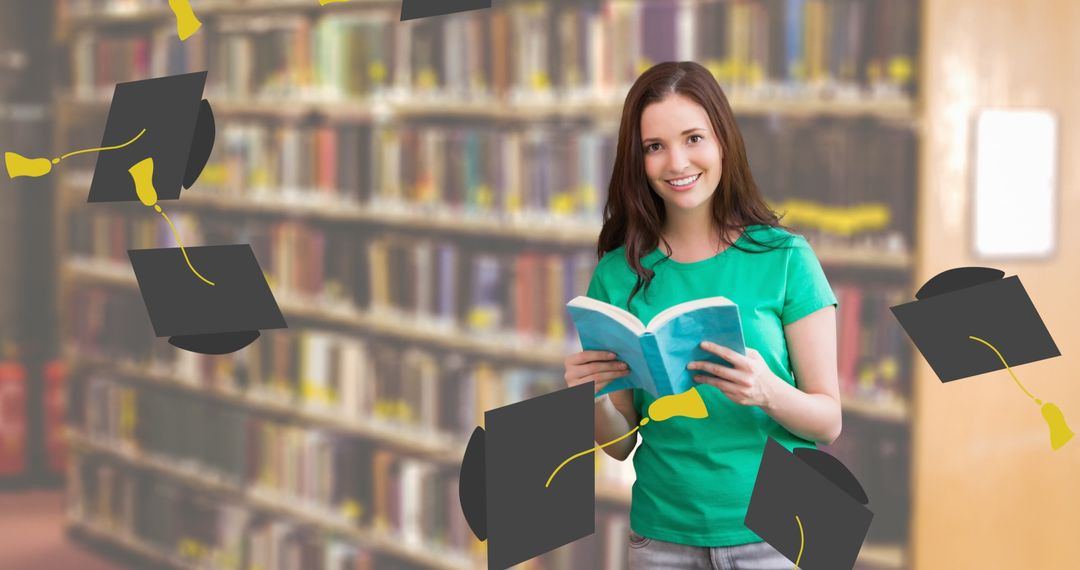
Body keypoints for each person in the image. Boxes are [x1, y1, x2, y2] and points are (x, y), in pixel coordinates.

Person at [563, 61, 842, 569]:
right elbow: (619, 447)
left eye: (694, 138)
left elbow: (828, 422)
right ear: (638, 159)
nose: (677, 162)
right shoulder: (615, 274)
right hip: (662, 535)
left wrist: (767, 390)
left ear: (723, 142)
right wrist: (591, 399)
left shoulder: (786, 258)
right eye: (655, 147)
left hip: (783, 526)